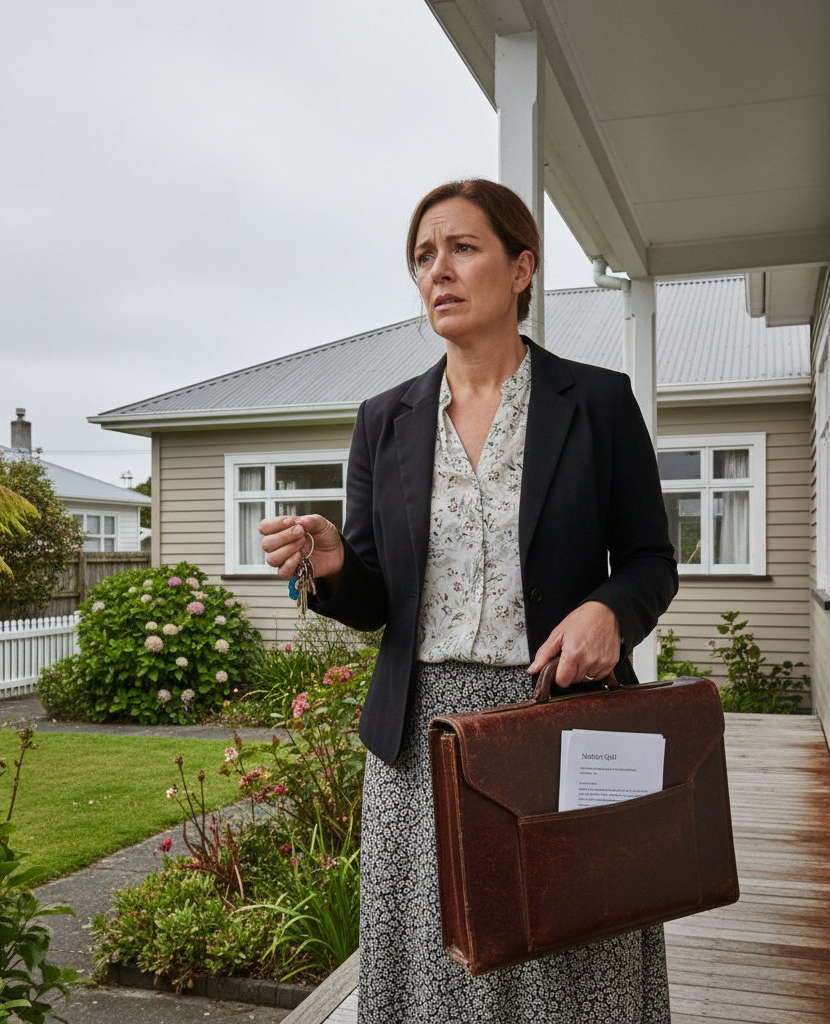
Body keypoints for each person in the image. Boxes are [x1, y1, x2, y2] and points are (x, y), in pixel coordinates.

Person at [259, 179, 677, 1023]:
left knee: (568, 964)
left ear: (522, 268)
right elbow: (378, 597)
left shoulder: (597, 403)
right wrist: (337, 566)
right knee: (438, 972)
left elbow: (649, 560)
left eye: (462, 248)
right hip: (421, 742)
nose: (437, 272)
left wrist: (609, 611)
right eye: (422, 257)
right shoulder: (386, 419)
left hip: (558, 719)